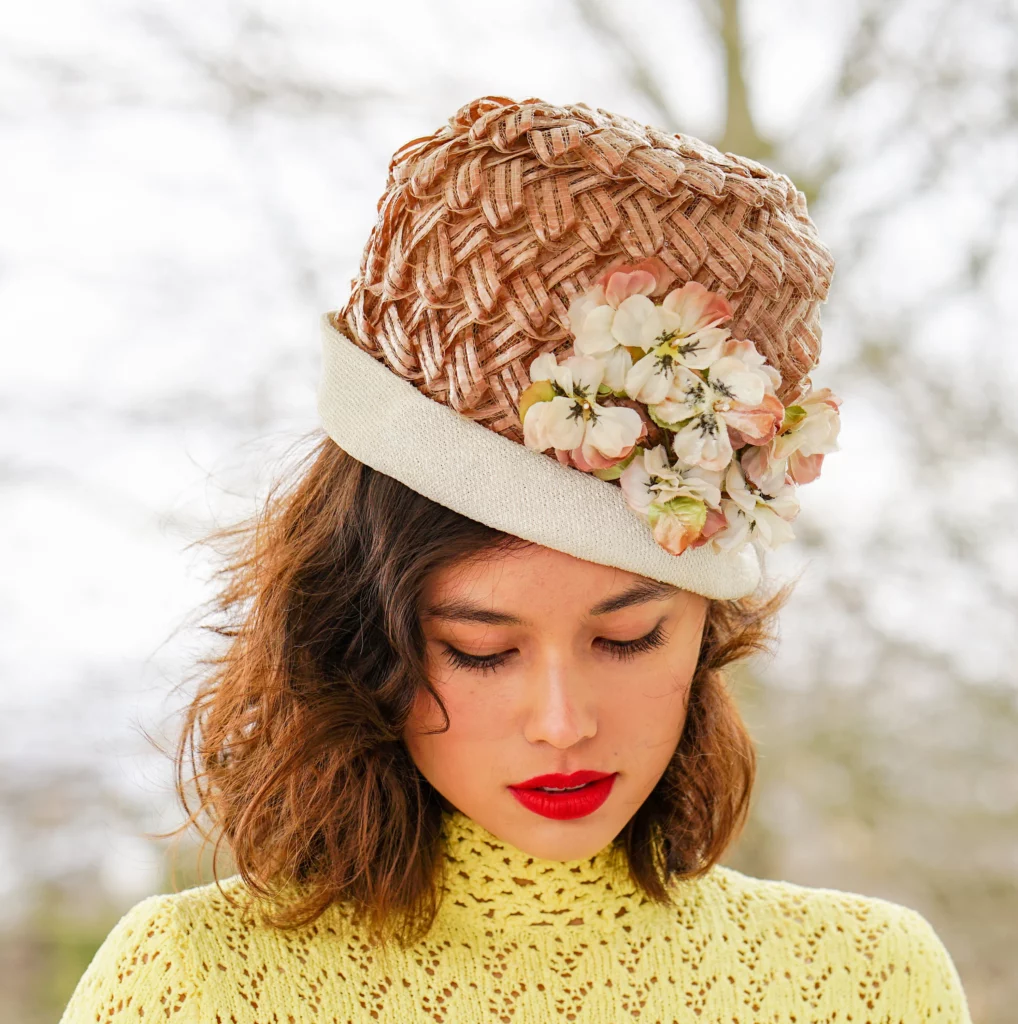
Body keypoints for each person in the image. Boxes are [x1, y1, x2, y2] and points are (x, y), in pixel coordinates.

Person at [59, 95, 972, 1023]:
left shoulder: (869, 980)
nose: (562, 723)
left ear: (706, 627)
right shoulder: (192, 983)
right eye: (480, 650)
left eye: (628, 637)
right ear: (364, 634)